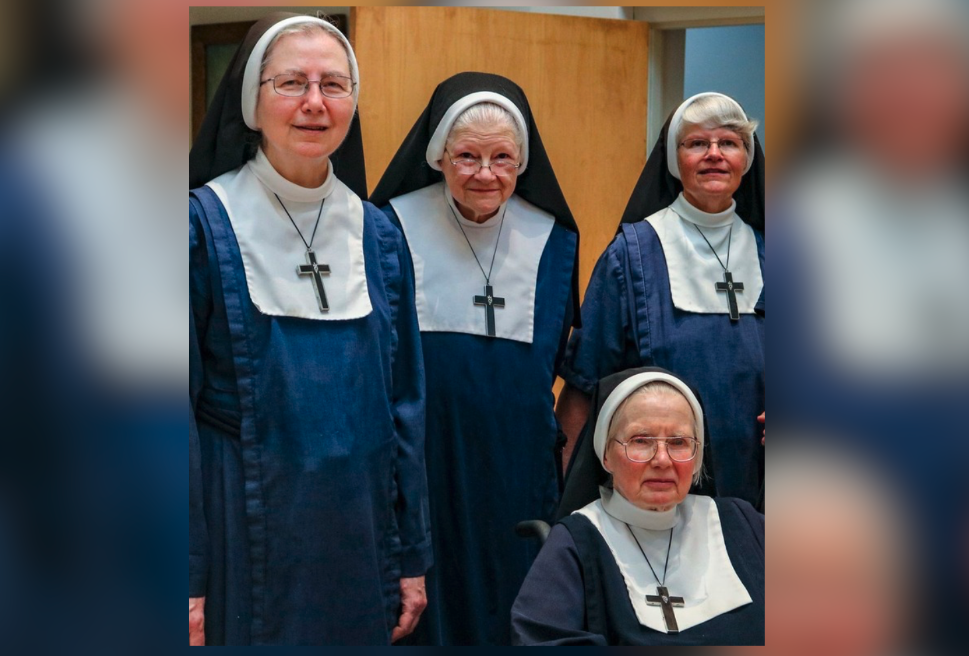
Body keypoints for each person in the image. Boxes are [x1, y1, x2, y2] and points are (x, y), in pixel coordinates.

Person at [188, 13, 431, 645]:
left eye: (334, 85)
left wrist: (410, 554)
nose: (315, 103)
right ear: (253, 100)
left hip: (361, 532)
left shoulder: (378, 235)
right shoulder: (198, 227)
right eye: (292, 82)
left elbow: (405, 405)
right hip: (241, 528)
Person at [369, 72, 581, 645]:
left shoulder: (555, 239)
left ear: (522, 161)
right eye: (467, 156)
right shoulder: (388, 228)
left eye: (501, 157)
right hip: (420, 462)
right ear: (438, 156)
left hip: (517, 467)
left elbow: (559, 359)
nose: (485, 173)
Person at [556, 92, 765, 506]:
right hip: (656, 481)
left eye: (729, 142)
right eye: (697, 143)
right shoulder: (631, 255)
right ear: (673, 159)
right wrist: (568, 504)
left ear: (747, 157)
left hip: (761, 484)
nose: (714, 154)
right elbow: (584, 387)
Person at [511, 368, 765, 646]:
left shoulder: (741, 522)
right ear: (605, 455)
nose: (662, 460)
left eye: (678, 442)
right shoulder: (578, 540)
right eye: (641, 441)